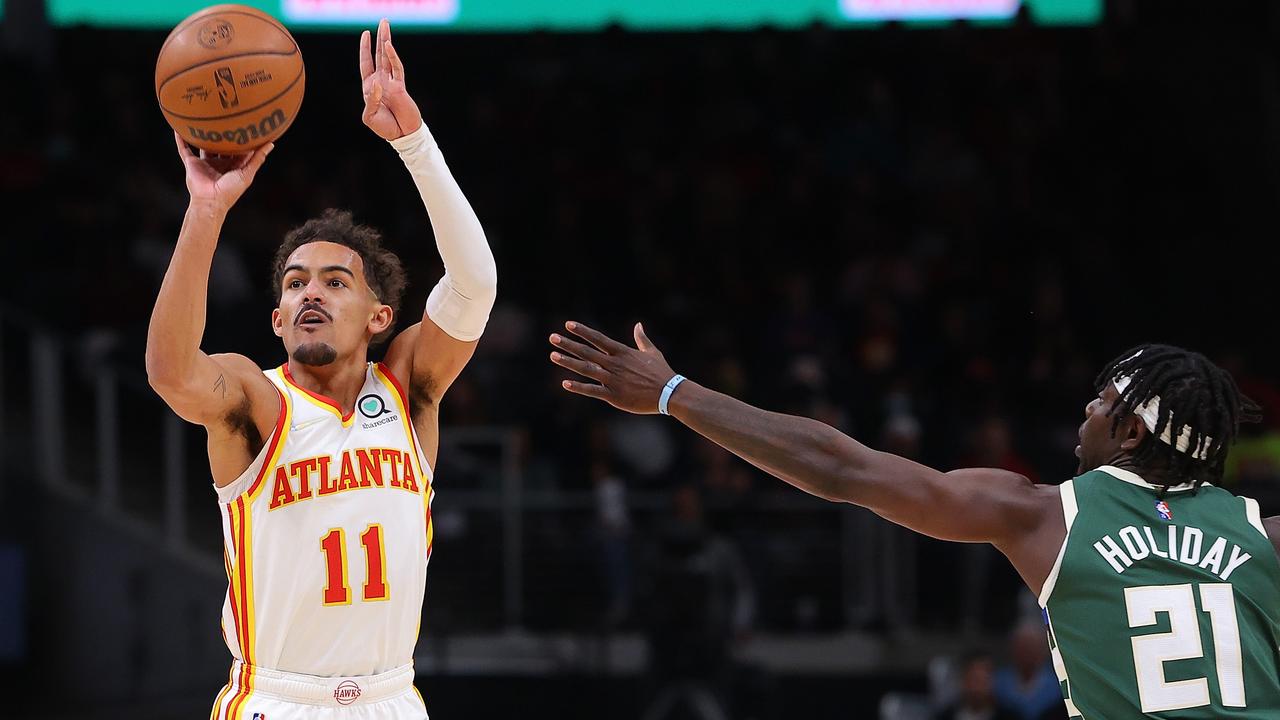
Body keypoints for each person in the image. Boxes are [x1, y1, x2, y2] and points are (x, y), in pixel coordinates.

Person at [549, 324, 1280, 718]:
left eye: (1104, 401)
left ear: (1130, 435)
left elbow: (844, 470)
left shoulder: (1043, 513)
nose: (1086, 409)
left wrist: (676, 393)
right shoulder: (1264, 536)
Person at [146, 20, 496, 719]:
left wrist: (413, 144)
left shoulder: (409, 388)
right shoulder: (257, 402)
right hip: (278, 698)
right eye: (296, 283)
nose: (311, 291)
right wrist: (207, 209)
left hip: (393, 697)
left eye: (336, 281)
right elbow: (170, 371)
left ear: (378, 317)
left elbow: (473, 287)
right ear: (277, 319)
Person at [935, 651, 1019, 720]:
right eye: (973, 679)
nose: (977, 688)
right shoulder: (945, 716)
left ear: (992, 681)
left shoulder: (1009, 717)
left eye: (982, 681)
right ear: (963, 681)